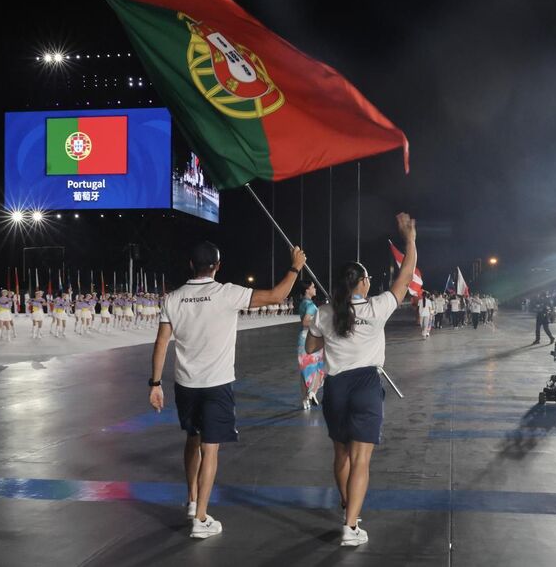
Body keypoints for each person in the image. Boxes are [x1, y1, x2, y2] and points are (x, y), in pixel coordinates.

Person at [149, 241, 307, 539]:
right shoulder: (227, 293)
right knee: (210, 448)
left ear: (191, 265)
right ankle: (201, 518)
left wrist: (155, 384)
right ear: (217, 266)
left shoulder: (173, 298)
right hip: (216, 384)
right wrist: (295, 267)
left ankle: (192, 500)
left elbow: (161, 343)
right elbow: (277, 295)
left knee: (192, 439)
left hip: (186, 385)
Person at [305, 212, 417, 547]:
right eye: (367, 278)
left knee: (341, 455)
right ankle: (350, 525)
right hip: (366, 386)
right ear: (363, 283)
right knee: (361, 460)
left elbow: (311, 347)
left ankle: (346, 506)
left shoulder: (326, 312)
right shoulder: (377, 307)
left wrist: (327, 331)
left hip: (336, 388)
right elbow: (406, 276)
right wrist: (410, 239)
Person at [296, 281, 325, 410]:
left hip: (304, 339)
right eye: (313, 287)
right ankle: (312, 392)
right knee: (319, 368)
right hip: (310, 340)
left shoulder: (303, 303)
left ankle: (305, 399)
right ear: (307, 290)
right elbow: (305, 322)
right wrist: (320, 324)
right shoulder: (310, 305)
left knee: (306, 371)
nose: (315, 289)